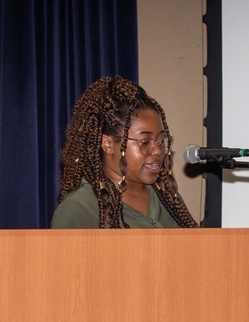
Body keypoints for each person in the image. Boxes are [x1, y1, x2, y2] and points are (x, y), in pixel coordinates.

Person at [51, 75, 198, 228]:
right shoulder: (80, 209)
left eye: (161, 141)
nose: (157, 150)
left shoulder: (166, 197)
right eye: (144, 142)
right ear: (108, 144)